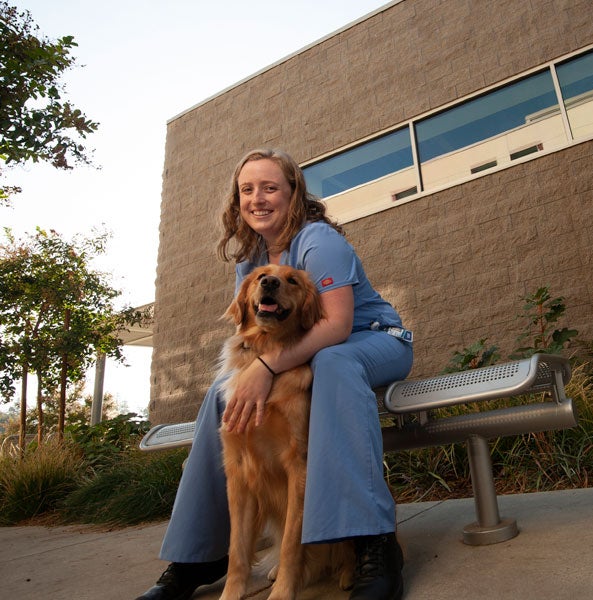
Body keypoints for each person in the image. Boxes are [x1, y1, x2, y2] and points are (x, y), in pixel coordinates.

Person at [136, 148, 413, 600]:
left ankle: (373, 542)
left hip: (374, 340)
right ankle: (196, 556)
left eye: (269, 188)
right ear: (237, 200)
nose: (257, 198)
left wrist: (265, 368)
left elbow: (337, 327)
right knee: (221, 395)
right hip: (303, 352)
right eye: (248, 190)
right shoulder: (253, 260)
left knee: (334, 362)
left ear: (293, 194)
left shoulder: (319, 241)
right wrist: (247, 372)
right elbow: (250, 329)